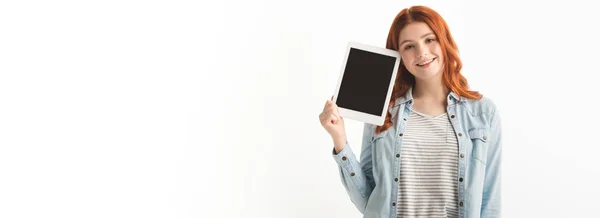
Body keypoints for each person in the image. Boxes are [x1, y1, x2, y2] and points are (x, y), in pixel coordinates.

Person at [319, 5, 502, 218]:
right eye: (409, 46)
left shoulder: (483, 113)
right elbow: (369, 202)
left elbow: (490, 202)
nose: (422, 53)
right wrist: (339, 139)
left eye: (429, 40)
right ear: (398, 56)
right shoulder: (384, 112)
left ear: (444, 42)